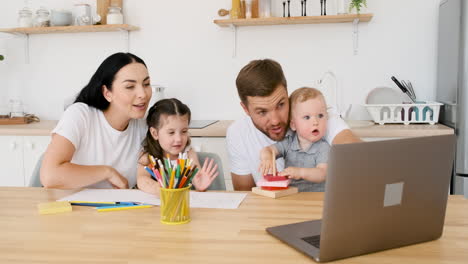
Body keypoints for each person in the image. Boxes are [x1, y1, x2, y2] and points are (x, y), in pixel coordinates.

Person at [227, 59, 361, 191]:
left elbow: (362, 156)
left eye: (281, 105)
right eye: (262, 112)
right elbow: (245, 196)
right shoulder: (238, 132)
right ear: (245, 109)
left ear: (287, 93)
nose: (275, 120)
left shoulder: (318, 118)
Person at [41, 52, 151, 189]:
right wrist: (107, 172)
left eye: (146, 84)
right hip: (74, 206)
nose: (143, 94)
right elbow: (50, 176)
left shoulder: (145, 127)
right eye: (130, 87)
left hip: (118, 208)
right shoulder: (80, 115)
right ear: (107, 93)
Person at [136, 98, 219, 196]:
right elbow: (142, 180)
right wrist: (162, 190)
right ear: (155, 133)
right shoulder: (147, 155)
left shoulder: (188, 152)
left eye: (184, 131)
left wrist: (199, 185)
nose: (179, 139)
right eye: (171, 132)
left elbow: (196, 174)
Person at [259, 87, 330, 192]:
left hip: (316, 199)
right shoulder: (288, 143)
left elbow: (323, 173)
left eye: (320, 115)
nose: (315, 122)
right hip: (292, 196)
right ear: (293, 125)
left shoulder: (323, 147)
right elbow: (268, 150)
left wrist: (300, 172)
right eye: (307, 117)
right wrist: (267, 158)